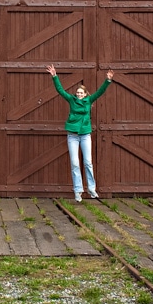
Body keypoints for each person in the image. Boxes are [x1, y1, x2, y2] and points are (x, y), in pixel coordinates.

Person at [46, 65, 113, 202]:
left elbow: (100, 92)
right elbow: (60, 90)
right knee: (75, 163)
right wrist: (54, 76)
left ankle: (91, 188)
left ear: (85, 94)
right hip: (72, 135)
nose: (79, 95)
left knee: (88, 162)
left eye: (81, 93)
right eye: (77, 93)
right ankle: (78, 191)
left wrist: (107, 80)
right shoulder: (71, 100)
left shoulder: (89, 100)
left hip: (85, 135)